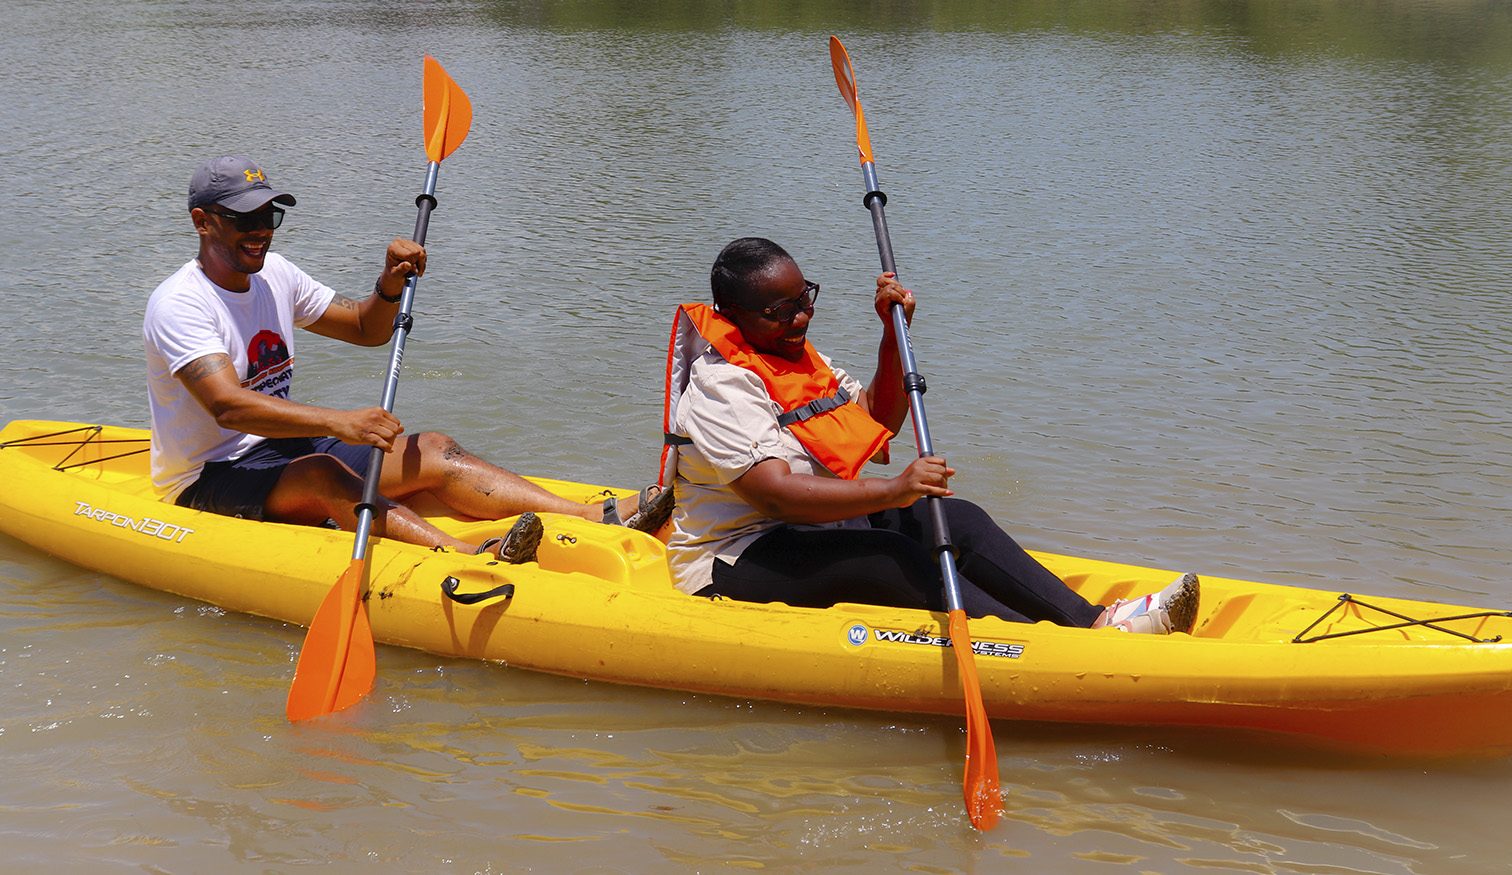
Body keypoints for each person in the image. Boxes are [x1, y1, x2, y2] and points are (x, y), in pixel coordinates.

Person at [144, 156, 671, 562]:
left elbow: (363, 328)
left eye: (269, 214)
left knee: (434, 449)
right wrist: (341, 422)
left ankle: (593, 516)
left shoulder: (277, 274)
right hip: (208, 477)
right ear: (202, 222)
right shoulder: (181, 303)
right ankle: (465, 554)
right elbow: (228, 407)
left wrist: (388, 283)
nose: (262, 228)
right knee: (326, 473)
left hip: (284, 448)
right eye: (245, 218)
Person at [659, 237, 1198, 632]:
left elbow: (876, 418)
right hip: (733, 560)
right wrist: (894, 489)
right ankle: (1042, 646)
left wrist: (894, 337)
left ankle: (1094, 623)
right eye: (780, 311)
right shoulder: (721, 385)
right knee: (890, 557)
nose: (802, 318)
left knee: (955, 519)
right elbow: (775, 495)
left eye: (806, 299)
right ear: (733, 315)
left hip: (812, 532)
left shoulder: (796, 357)